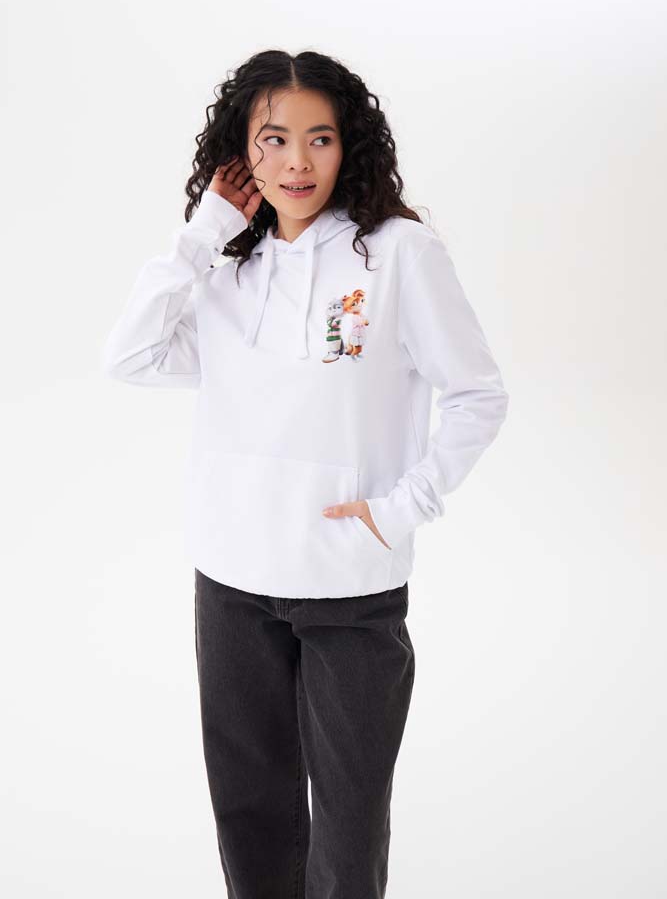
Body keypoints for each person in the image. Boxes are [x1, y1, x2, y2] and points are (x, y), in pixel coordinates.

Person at [102, 48, 509, 898]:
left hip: (349, 586)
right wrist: (201, 235)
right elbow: (130, 356)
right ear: (240, 153)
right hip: (231, 580)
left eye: (319, 138)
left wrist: (400, 508)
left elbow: (476, 393)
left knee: (349, 831)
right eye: (274, 139)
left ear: (347, 144)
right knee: (250, 814)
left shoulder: (397, 254)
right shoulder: (227, 269)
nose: (297, 162)